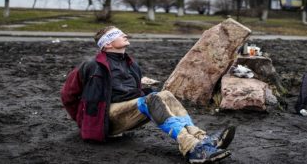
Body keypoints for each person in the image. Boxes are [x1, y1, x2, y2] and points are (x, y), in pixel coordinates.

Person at [61, 26, 235, 163]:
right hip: (106, 118)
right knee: (150, 99)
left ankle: (202, 139)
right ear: (107, 44)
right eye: (117, 34)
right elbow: (67, 95)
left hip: (127, 113)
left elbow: (136, 92)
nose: (125, 35)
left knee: (165, 94)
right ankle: (192, 148)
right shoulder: (91, 66)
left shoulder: (132, 66)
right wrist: (84, 121)